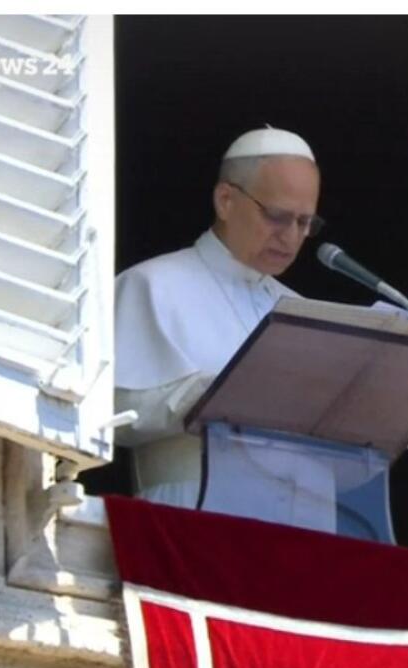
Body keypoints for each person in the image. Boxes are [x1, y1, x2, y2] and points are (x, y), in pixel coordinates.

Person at [113, 127, 325, 508]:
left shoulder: (301, 311)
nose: (291, 237)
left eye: (305, 222)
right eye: (278, 216)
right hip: (193, 509)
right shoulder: (151, 284)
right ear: (226, 200)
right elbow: (109, 410)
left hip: (303, 516)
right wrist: (208, 394)